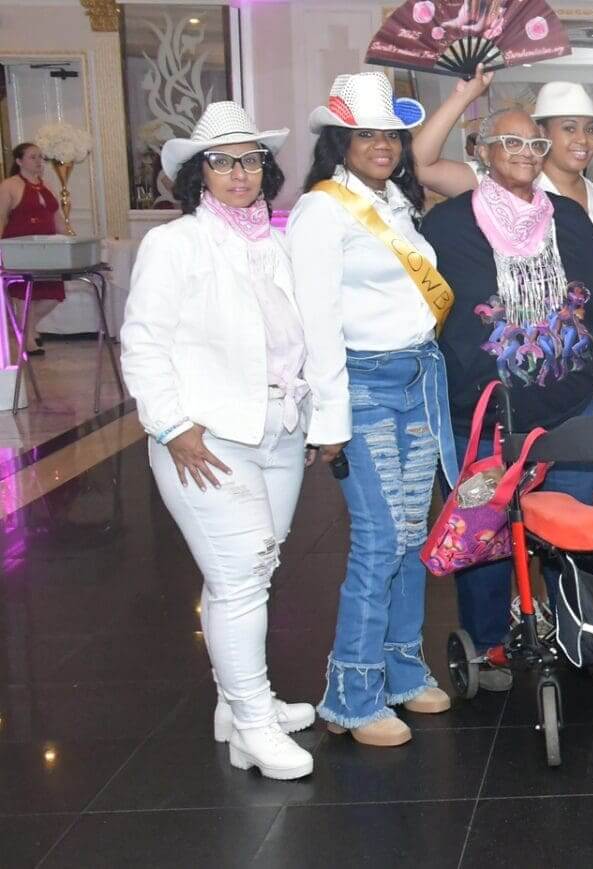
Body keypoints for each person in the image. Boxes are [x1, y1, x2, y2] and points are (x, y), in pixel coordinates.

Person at [122, 102, 315, 780]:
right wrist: (172, 425)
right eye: (224, 161)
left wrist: (311, 414)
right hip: (206, 436)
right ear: (199, 173)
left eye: (252, 159)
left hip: (279, 426)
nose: (240, 173)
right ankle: (253, 721)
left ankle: (236, 706)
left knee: (254, 570)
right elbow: (141, 343)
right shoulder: (175, 244)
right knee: (240, 577)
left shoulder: (277, 240)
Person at [421, 107, 593, 688]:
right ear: (482, 149)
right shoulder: (448, 225)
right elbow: (424, 312)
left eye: (534, 143)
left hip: (566, 414)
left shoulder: (573, 221)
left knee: (570, 529)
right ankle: (487, 646)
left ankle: (572, 632)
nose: (525, 153)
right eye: (511, 142)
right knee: (485, 537)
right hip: (479, 420)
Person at [290, 72, 457, 747]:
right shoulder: (321, 211)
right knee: (380, 541)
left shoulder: (393, 203)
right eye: (368, 133)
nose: (383, 144)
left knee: (414, 535)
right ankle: (351, 695)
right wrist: (328, 423)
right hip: (362, 385)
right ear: (341, 141)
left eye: (391, 132)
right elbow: (318, 324)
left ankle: (401, 669)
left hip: (418, 375)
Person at [410, 73, 593, 221]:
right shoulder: (503, 180)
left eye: (590, 130)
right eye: (569, 128)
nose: (583, 140)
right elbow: (420, 166)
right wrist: (463, 96)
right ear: (542, 133)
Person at [2, 141, 73, 358]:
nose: (39, 161)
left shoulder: (46, 185)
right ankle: (29, 340)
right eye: (33, 157)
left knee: (53, 294)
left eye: (40, 157)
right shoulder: (9, 185)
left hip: (47, 248)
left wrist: (70, 239)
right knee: (24, 294)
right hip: (20, 246)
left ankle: (26, 327)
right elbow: (2, 216)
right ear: (19, 161)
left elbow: (56, 217)